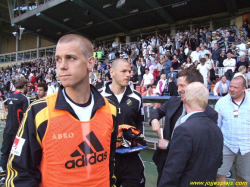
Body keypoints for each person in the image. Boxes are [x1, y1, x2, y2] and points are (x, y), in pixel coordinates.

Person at [6, 34, 118, 187]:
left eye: (71, 58)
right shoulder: (39, 111)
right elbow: (19, 173)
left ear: (90, 62)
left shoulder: (110, 109)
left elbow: (109, 163)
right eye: (58, 59)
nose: (62, 66)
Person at [150, 67, 218, 185]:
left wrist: (168, 145)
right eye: (178, 85)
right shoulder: (174, 101)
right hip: (166, 164)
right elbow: (158, 112)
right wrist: (154, 120)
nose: (178, 89)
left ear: (194, 87)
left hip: (191, 172)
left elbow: (202, 148)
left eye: (182, 85)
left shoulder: (210, 115)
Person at [100, 58, 145, 187]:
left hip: (131, 159)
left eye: (129, 71)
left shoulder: (136, 97)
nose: (128, 75)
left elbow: (139, 123)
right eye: (123, 71)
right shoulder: (99, 97)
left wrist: (138, 137)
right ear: (112, 72)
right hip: (106, 160)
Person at [216, 76, 250, 187]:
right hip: (227, 144)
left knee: (243, 178)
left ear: (244, 88)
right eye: (231, 86)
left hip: (247, 146)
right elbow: (217, 126)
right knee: (219, 175)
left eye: (235, 87)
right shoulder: (221, 103)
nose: (231, 89)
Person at [0, 78, 29, 184]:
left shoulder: (10, 96)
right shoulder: (24, 99)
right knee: (19, 153)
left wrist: (6, 112)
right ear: (25, 86)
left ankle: (4, 175)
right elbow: (26, 115)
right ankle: (18, 175)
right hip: (18, 132)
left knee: (5, 152)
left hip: (8, 130)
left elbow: (3, 102)